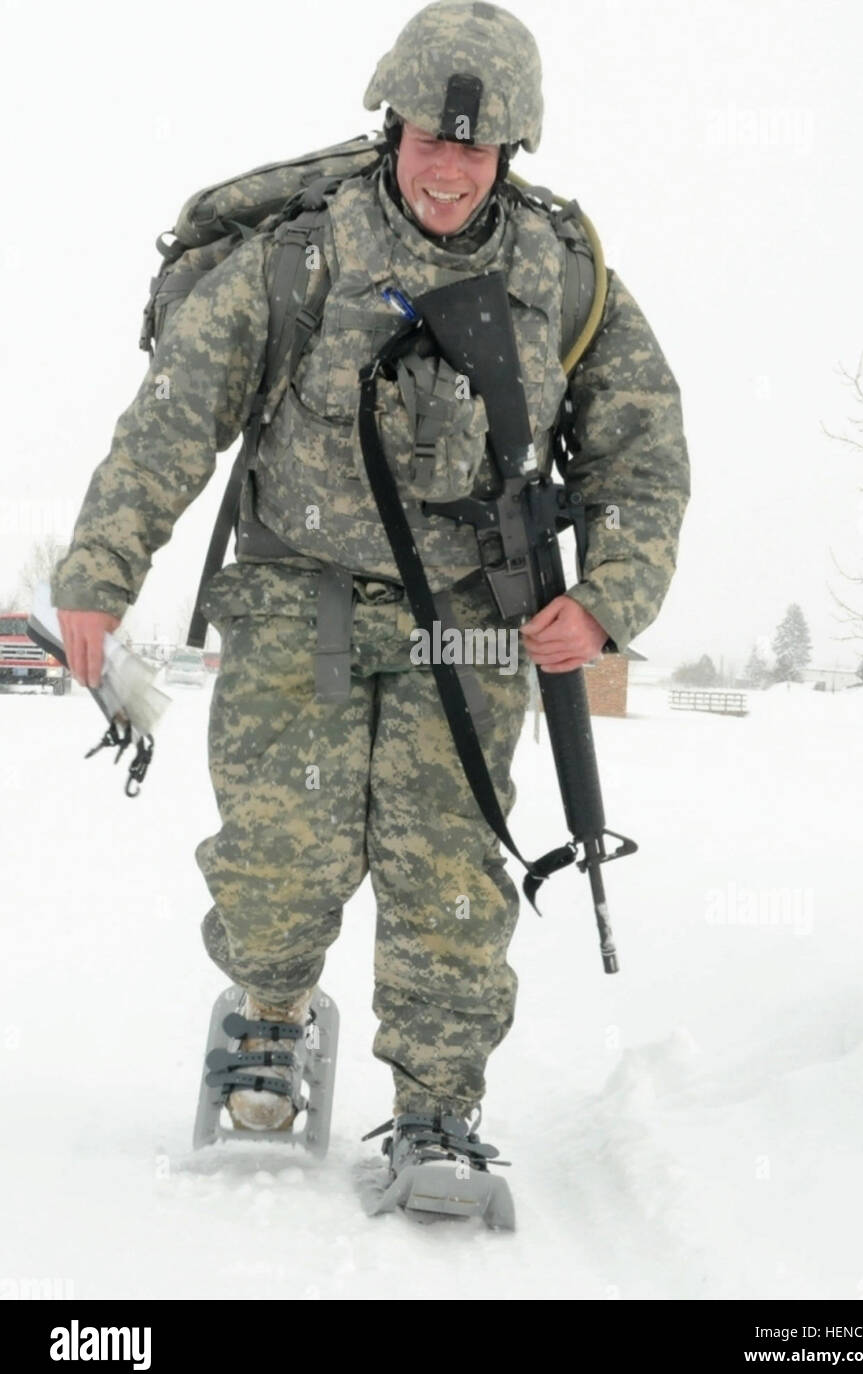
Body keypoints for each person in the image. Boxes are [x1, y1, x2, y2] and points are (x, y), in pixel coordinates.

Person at [51, 1, 690, 1188]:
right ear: (389, 125)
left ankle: (438, 1106)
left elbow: (641, 453)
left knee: (448, 868)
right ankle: (273, 1009)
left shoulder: (564, 278)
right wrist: (98, 571)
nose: (449, 167)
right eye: (429, 139)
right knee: (277, 849)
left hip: (474, 620)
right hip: (301, 598)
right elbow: (173, 423)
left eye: (477, 145)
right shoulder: (297, 257)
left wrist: (607, 598)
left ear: (512, 151)